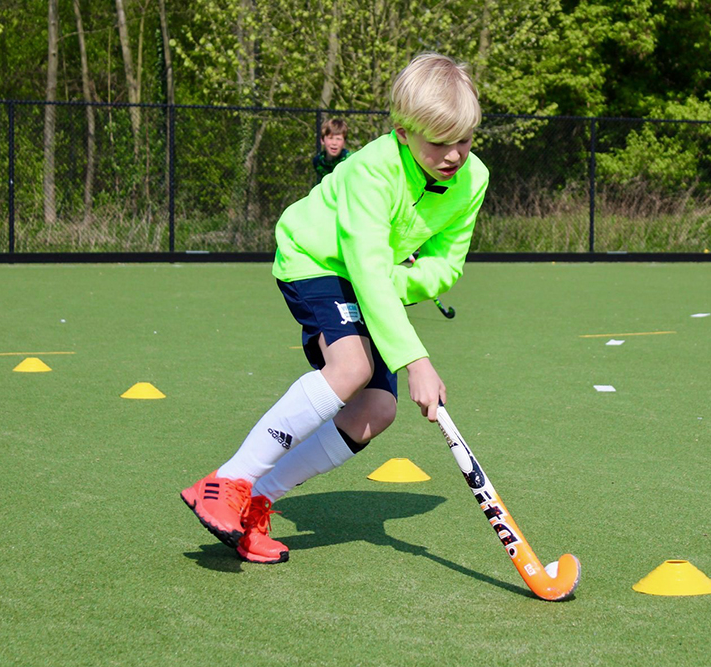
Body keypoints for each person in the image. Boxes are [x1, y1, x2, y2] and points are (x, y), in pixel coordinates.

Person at [181, 53, 488, 564]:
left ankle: (257, 501)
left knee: (376, 410)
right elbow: (362, 267)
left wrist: (394, 280)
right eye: (439, 141)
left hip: (370, 274)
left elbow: (445, 265)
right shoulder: (372, 169)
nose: (454, 154)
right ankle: (228, 482)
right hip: (313, 257)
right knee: (351, 366)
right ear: (403, 131)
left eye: (465, 139)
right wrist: (416, 359)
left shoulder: (472, 180)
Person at [312, 118, 351, 184]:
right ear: (322, 140)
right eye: (330, 138)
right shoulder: (318, 161)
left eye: (338, 139)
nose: (334, 143)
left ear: (344, 142)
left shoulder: (349, 160)